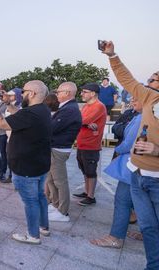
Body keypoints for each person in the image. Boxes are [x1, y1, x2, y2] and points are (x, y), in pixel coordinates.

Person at [104, 41, 159, 270]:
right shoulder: (148, 99)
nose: (148, 82)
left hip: (156, 179)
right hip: (136, 174)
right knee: (147, 227)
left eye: (153, 79)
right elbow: (127, 80)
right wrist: (112, 55)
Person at [0, 80, 52, 245]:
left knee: (31, 201)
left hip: (26, 167)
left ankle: (33, 235)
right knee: (40, 197)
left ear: (31, 94)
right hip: (39, 164)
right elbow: (20, 117)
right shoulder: (42, 110)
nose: (22, 94)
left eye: (24, 92)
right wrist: (8, 104)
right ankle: (43, 227)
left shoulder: (30, 113)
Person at [90, 97, 143, 249]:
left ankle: (115, 237)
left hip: (134, 165)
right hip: (143, 167)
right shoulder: (147, 117)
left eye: (137, 98)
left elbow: (128, 143)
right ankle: (148, 234)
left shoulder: (141, 118)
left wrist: (118, 150)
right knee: (145, 203)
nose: (133, 101)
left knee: (122, 201)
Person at [46, 82, 82, 222]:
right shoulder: (66, 108)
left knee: (60, 181)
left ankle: (63, 212)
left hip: (59, 149)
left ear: (67, 93)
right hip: (55, 147)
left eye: (59, 91)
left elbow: (52, 128)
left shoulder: (70, 109)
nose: (56, 94)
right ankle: (56, 205)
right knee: (50, 180)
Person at [73, 83, 107, 206]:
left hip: (91, 145)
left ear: (93, 93)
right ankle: (87, 192)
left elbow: (82, 120)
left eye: (84, 92)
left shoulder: (99, 106)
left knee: (90, 171)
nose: (82, 94)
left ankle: (91, 197)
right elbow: (81, 120)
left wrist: (84, 123)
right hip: (82, 143)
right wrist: (84, 123)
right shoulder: (87, 106)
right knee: (84, 170)